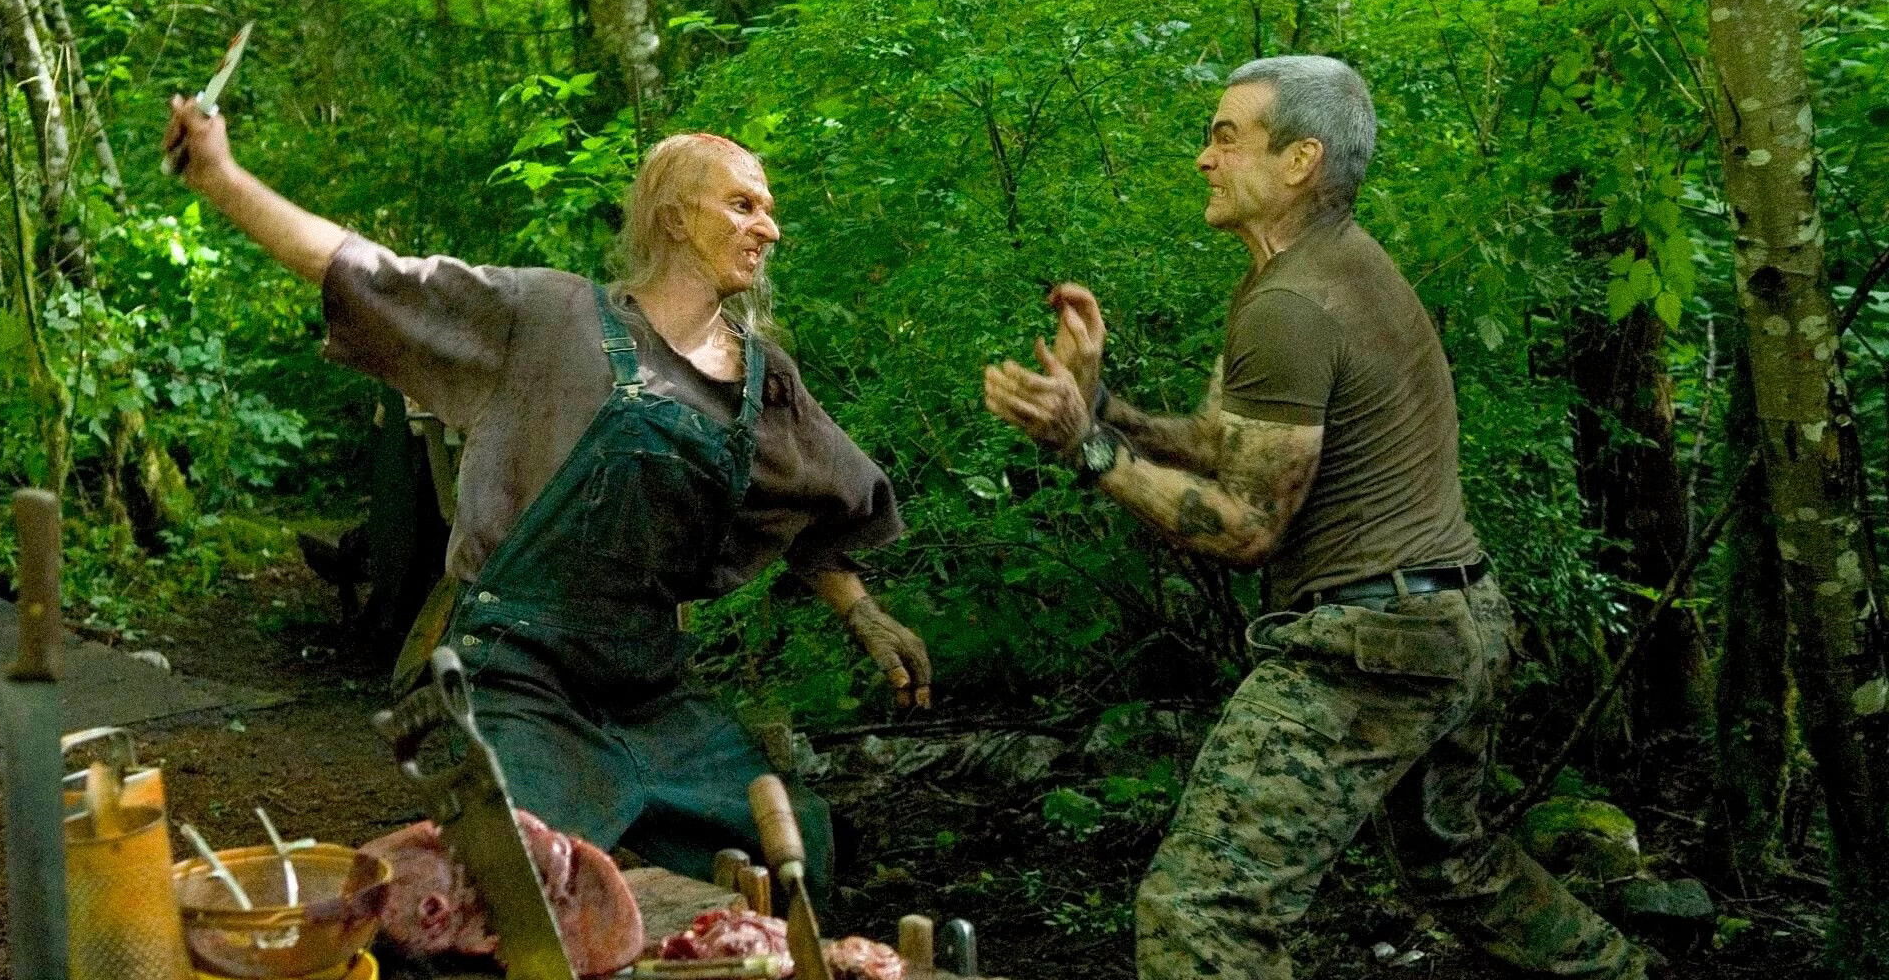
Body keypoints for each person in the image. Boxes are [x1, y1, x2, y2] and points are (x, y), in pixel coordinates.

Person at [983, 56, 1645, 979]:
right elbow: (1224, 443)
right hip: (1457, 618)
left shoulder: (1291, 305)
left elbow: (1246, 528)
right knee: (1452, 865)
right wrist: (1098, 406)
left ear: (1300, 160)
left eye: (1226, 138)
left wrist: (1087, 450)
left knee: (1200, 913)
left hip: (1376, 643)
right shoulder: (1321, 270)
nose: (1204, 158)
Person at [164, 100, 932, 895]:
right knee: (518, 881)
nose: (767, 228)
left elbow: (813, 510)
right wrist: (221, 176)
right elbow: (364, 270)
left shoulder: (762, 381)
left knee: (797, 852)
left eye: (767, 210)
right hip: (516, 676)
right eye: (743, 205)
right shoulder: (547, 315)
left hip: (649, 689)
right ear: (673, 217)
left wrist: (862, 614)